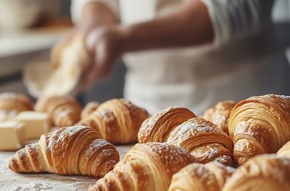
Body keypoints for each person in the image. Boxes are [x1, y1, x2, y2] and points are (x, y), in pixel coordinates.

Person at [56, 0, 290, 115]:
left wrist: (123, 38)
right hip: (144, 107)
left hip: (241, 103)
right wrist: (91, 27)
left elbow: (234, 7)